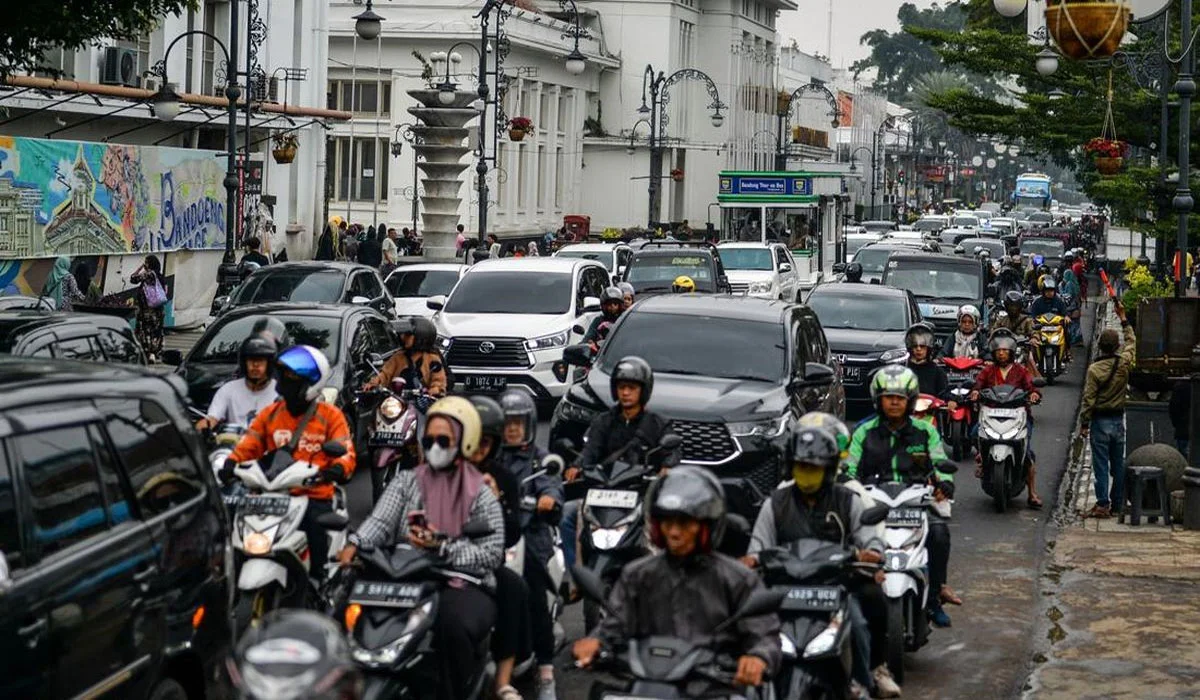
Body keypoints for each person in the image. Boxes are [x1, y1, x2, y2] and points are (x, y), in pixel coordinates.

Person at [339, 397, 504, 700]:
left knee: (451, 627)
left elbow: (491, 553)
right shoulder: (406, 482)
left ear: (464, 442)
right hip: (403, 575)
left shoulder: (480, 492)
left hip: (459, 581)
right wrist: (354, 546)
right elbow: (379, 522)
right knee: (342, 613)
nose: (435, 446)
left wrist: (444, 548)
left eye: (444, 439)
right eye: (429, 439)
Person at [572, 467, 781, 694]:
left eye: (685, 523)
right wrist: (595, 642)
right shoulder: (638, 574)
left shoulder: (736, 579)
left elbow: (764, 634)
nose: (674, 532)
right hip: (649, 687)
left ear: (707, 526)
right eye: (667, 523)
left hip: (712, 689)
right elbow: (616, 624)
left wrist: (757, 657)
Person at [743, 426, 898, 699]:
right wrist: (749, 561)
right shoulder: (775, 503)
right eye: (801, 466)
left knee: (861, 622)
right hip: (783, 589)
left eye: (814, 466)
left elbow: (869, 539)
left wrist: (871, 554)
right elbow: (759, 546)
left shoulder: (847, 500)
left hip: (835, 587)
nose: (807, 472)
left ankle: (867, 678)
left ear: (829, 468)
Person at [221, 345, 356, 581]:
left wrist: (337, 468)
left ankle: (319, 583)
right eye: (284, 376)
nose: (287, 382)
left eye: (293, 378)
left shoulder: (330, 416)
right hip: (271, 493)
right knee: (234, 530)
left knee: (316, 528)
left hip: (313, 494)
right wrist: (231, 463)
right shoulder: (270, 414)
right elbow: (249, 444)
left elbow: (346, 452)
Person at [844, 365, 959, 627]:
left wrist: (946, 484)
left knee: (939, 534)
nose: (894, 402)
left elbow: (940, 461)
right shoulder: (864, 431)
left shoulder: (925, 431)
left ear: (910, 400)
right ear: (878, 399)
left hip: (915, 500)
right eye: (889, 397)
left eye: (900, 397)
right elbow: (850, 468)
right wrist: (847, 484)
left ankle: (935, 596)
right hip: (873, 503)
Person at [561, 357, 678, 573]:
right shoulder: (603, 421)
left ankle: (663, 573)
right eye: (622, 387)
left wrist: (667, 466)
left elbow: (672, 449)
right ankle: (577, 573)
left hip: (641, 492)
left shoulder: (657, 423)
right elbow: (590, 450)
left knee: (667, 520)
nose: (625, 393)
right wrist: (576, 466)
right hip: (603, 491)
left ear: (644, 391)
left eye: (631, 388)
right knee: (569, 514)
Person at [467, 396, 534, 700]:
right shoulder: (445, 470)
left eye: (488, 441)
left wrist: (497, 501)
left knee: (515, 588)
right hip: (440, 557)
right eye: (476, 439)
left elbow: (512, 533)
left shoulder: (503, 478)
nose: (481, 447)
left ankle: (504, 681)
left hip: (485, 560)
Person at [497, 390, 563, 700]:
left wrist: (548, 500)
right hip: (493, 537)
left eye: (518, 423)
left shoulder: (539, 459)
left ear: (530, 425)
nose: (512, 429)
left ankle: (547, 673)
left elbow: (552, 487)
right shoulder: (491, 455)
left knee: (534, 595)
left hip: (531, 539)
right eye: (507, 422)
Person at [970, 330, 1043, 508]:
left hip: (1017, 415)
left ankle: (1032, 493)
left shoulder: (1021, 371)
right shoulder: (988, 371)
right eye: (998, 350)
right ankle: (982, 457)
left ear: (1011, 352)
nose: (1001, 353)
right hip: (991, 414)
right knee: (974, 433)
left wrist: (1034, 394)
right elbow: (978, 385)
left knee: (1028, 454)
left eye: (1005, 350)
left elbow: (1032, 387)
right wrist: (974, 392)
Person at [1079, 301, 1136, 518]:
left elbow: (1088, 399)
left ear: (1100, 347)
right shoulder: (1123, 363)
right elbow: (1132, 341)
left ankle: (1102, 503)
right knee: (1118, 464)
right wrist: (1123, 317)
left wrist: (1084, 423)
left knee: (1100, 465)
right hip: (1118, 420)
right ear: (1116, 346)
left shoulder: (1095, 370)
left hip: (1100, 421)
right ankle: (1118, 502)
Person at [196, 334, 279, 431]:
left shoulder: (281, 391)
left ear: (270, 364)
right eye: (251, 360)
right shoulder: (228, 389)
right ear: (244, 363)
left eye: (260, 360)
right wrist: (197, 430)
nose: (255, 365)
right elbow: (212, 419)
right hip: (234, 443)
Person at [363, 316, 448, 405]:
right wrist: (373, 383)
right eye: (403, 334)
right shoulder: (398, 357)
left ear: (421, 337)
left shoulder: (432, 358)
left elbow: (439, 379)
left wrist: (436, 389)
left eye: (408, 335)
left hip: (423, 402)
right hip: (397, 402)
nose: (403, 337)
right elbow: (385, 374)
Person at [131, 255, 166, 361]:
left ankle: (149, 354)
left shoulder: (150, 274)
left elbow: (133, 279)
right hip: (158, 310)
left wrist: (140, 268)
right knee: (156, 330)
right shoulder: (159, 275)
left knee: (147, 331)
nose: (145, 264)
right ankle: (155, 353)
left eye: (146, 262)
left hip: (148, 311)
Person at [904, 323, 950, 400]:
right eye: (915, 346)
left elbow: (944, 394)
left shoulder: (937, 372)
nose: (918, 349)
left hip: (931, 411)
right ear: (910, 348)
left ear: (929, 349)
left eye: (922, 346)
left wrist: (951, 400)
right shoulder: (903, 370)